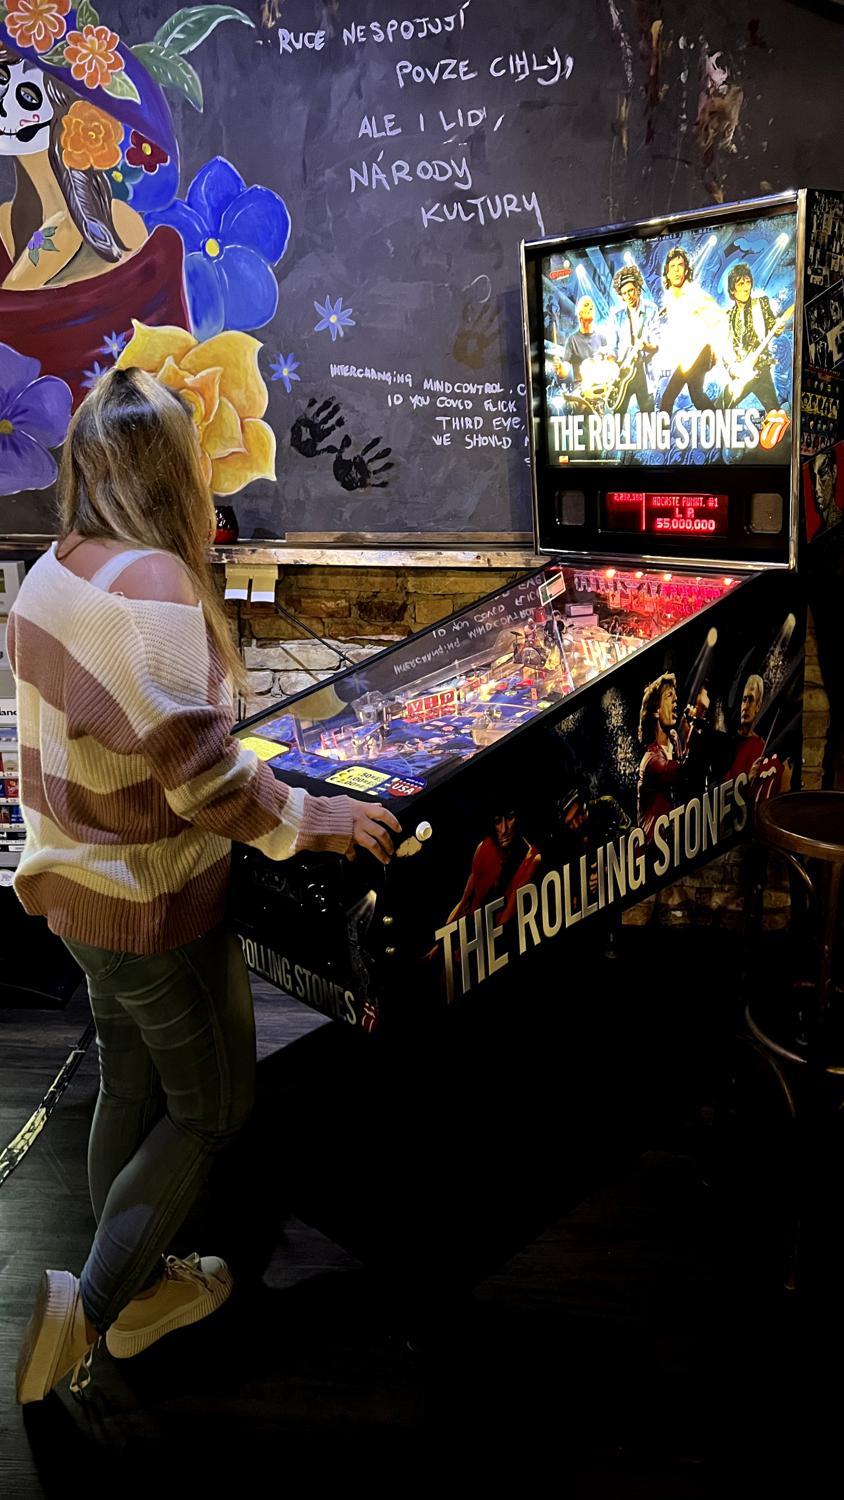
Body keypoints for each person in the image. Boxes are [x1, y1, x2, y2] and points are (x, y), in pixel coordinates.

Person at [9, 366, 401, 1404]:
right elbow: (207, 784)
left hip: (74, 892)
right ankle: (92, 1309)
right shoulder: (153, 593)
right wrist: (319, 821)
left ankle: (142, 1290)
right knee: (216, 1109)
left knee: (132, 1082)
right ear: (167, 469)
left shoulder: (56, 568)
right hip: (153, 903)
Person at [658, 246, 722, 415]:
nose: (676, 270)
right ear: (667, 273)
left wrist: (715, 348)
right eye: (672, 267)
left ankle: (721, 427)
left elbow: (719, 318)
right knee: (670, 398)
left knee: (695, 396)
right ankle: (663, 432)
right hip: (686, 358)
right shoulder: (670, 297)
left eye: (680, 266)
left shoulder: (694, 294)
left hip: (700, 353)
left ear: (686, 271)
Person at [722, 264, 786, 412]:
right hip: (740, 376)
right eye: (741, 284)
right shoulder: (728, 317)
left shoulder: (761, 303)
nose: (746, 288)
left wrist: (777, 328)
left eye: (748, 282)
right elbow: (725, 350)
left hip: (761, 371)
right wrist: (733, 370)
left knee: (775, 415)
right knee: (718, 411)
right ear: (732, 290)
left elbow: (772, 325)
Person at [637, 671, 686, 841]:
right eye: (669, 696)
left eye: (675, 696)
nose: (675, 700)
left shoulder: (674, 741)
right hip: (653, 847)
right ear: (656, 710)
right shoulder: (652, 760)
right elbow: (683, 773)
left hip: (674, 842)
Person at [609, 264, 660, 416]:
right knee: (617, 417)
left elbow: (657, 345)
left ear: (637, 288)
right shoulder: (617, 316)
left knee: (649, 417)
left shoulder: (651, 310)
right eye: (624, 293)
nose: (628, 296)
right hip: (622, 372)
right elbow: (612, 348)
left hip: (643, 371)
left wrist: (645, 346)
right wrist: (612, 366)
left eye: (631, 290)